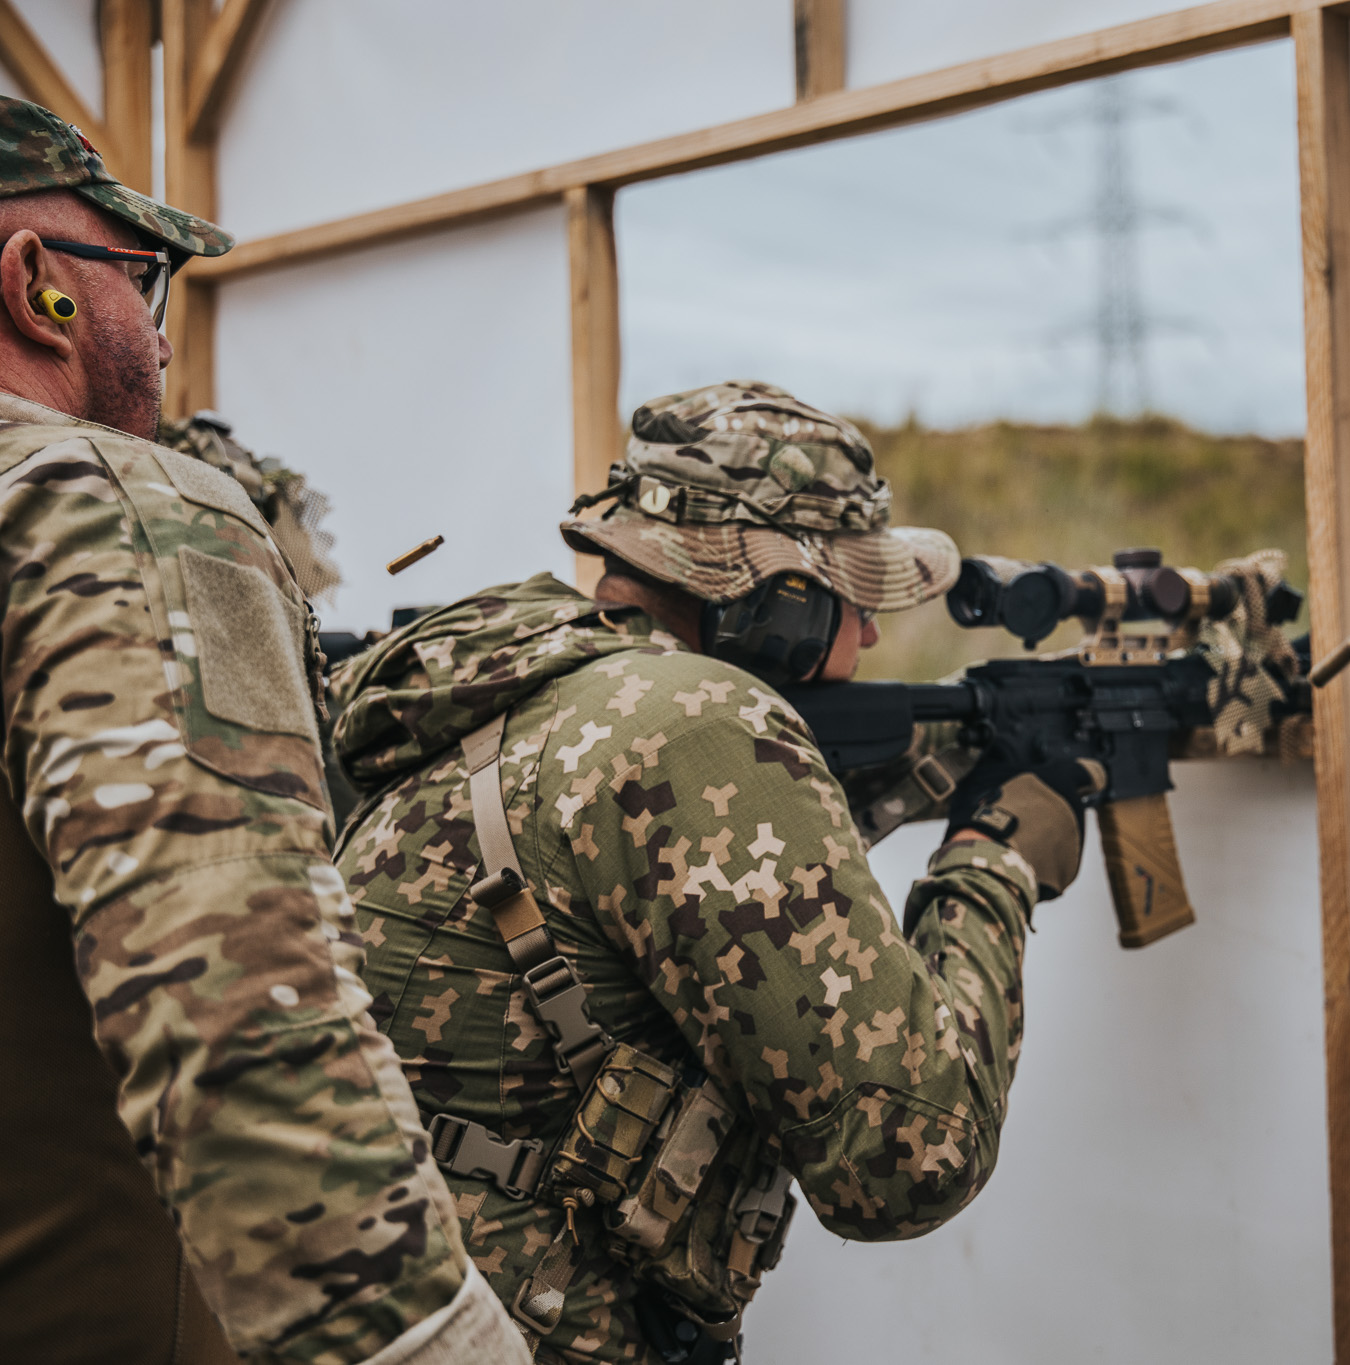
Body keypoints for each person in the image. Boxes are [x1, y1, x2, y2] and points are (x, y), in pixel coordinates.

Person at [327, 382, 1095, 1363]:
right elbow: (904, 1164)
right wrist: (992, 864)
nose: (865, 638)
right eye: (851, 601)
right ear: (777, 605)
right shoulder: (697, 719)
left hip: (399, 1297)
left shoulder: (515, 678)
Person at [0, 97, 529, 1363]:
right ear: (38, 287)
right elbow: (240, 1014)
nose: (161, 332)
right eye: (144, 277)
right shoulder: (104, 500)